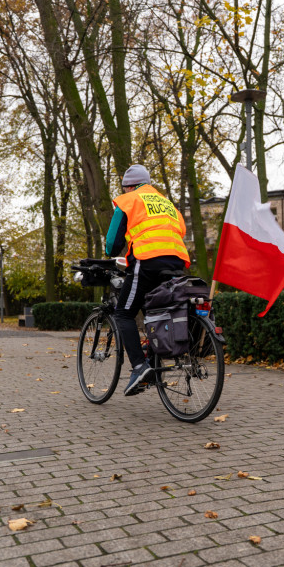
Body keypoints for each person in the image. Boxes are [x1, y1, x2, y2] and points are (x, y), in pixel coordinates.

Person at [106, 164, 190, 396]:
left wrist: (111, 253)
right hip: (176, 261)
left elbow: (113, 243)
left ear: (129, 186)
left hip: (148, 260)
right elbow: (180, 231)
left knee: (123, 313)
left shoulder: (129, 200)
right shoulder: (167, 203)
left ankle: (139, 367)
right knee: (157, 309)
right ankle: (155, 356)